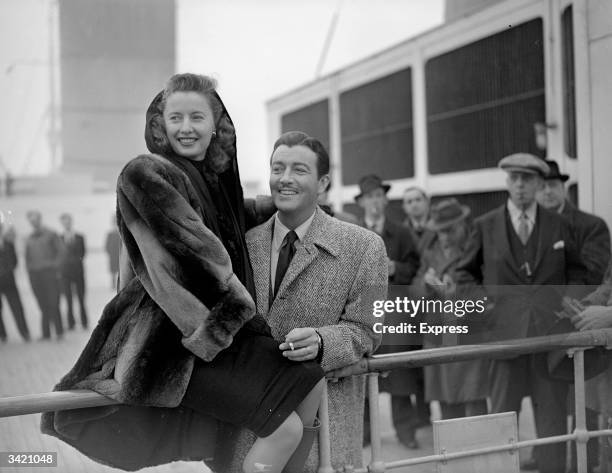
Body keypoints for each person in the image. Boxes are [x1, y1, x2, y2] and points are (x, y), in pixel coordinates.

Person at [41, 73, 325, 473]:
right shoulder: (146, 173)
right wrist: (239, 321)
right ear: (160, 124)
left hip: (214, 336)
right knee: (284, 430)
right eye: (176, 118)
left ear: (216, 127)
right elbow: (193, 254)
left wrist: (282, 203)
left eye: (197, 117)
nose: (186, 128)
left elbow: (224, 219)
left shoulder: (206, 181)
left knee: (310, 378)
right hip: (178, 341)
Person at [226, 131, 388, 472]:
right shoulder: (242, 245)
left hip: (325, 433)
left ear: (323, 183)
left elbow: (369, 331)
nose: (284, 179)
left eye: (299, 170)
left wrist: (322, 341)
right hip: (248, 433)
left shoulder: (365, 247)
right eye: (277, 168)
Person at [455, 153, 587, 473]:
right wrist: (482, 302)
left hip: (549, 339)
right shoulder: (485, 226)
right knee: (502, 421)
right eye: (514, 179)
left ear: (540, 184)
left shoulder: (560, 224)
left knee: (553, 423)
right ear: (506, 182)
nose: (520, 186)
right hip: (503, 342)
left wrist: (569, 299)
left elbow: (578, 272)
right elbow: (464, 275)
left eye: (527, 180)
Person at [355, 174, 424, 449]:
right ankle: (365, 434)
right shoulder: (352, 232)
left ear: (385, 200)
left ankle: (406, 431)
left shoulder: (402, 233)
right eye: (370, 197)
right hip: (363, 315)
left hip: (395, 313)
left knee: (400, 375)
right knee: (363, 375)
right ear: (361, 202)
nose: (375, 202)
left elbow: (416, 267)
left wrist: (397, 269)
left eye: (379, 196)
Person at [412, 198, 488, 419]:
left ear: (463, 225)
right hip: (438, 334)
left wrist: (453, 294)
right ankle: (451, 451)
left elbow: (486, 294)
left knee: (474, 399)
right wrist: (427, 285)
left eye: (449, 230)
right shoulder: (430, 252)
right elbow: (414, 290)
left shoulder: (475, 250)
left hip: (467, 334)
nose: (444, 237)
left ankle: (479, 449)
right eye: (440, 231)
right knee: (446, 401)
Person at [536, 159, 610, 286]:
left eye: (553, 184)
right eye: (542, 186)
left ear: (563, 189)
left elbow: (593, 274)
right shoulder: (527, 228)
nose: (548, 191)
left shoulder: (592, 226)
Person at [25, 210, 63, 341]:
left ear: (40, 219)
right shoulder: (29, 238)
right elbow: (27, 259)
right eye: (31, 220)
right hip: (35, 276)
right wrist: (30, 276)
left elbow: (61, 251)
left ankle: (59, 332)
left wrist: (54, 266)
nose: (33, 222)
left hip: (50, 274)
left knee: (53, 302)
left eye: (35, 219)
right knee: (42, 304)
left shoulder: (51, 234)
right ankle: (46, 333)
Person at [0, 220, 30, 342]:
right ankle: (2, 335)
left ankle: (24, 333)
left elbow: (14, 262)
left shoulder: (8, 244)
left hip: (9, 282)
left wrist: (6, 272)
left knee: (17, 307)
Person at [58, 213, 88, 330]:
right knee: (68, 299)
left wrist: (74, 261)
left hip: (78, 273)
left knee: (81, 298)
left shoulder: (80, 237)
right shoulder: (59, 239)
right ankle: (71, 323)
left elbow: (83, 254)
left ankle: (84, 322)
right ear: (62, 224)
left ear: (71, 222)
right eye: (64, 222)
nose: (67, 224)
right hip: (65, 274)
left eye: (68, 221)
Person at [402, 186, 434, 251]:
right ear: (404, 207)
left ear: (427, 201)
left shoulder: (440, 228)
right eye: (409, 202)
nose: (414, 205)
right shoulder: (400, 232)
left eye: (418, 200)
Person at [104, 217, 121, 289]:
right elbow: (106, 246)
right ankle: (113, 285)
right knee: (113, 272)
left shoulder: (121, 233)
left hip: (120, 255)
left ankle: (119, 284)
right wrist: (110, 253)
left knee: (120, 270)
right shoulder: (110, 234)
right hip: (113, 256)